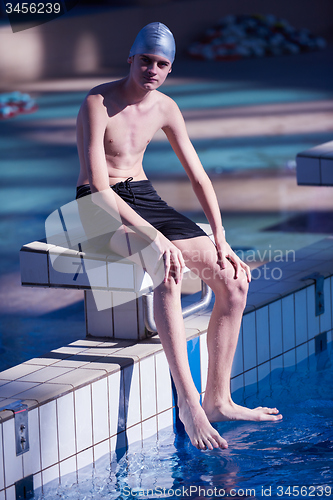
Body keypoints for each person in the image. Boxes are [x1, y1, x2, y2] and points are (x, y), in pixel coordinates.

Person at [75, 22, 282, 451]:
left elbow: (199, 176)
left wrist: (222, 238)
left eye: (161, 64)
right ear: (130, 59)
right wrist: (155, 238)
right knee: (166, 267)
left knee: (235, 280)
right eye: (145, 60)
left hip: (141, 194)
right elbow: (98, 185)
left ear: (169, 70)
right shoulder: (98, 102)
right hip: (96, 204)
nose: (152, 69)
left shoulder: (166, 107)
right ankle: (189, 403)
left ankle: (218, 400)